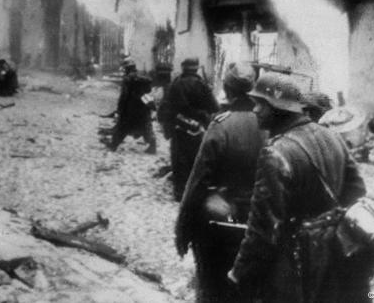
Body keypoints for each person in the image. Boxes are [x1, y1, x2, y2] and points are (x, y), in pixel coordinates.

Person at [227, 73, 369, 303]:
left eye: (260, 105)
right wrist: (325, 220)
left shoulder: (276, 153)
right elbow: (356, 191)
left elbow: (263, 227)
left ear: (277, 108)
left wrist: (240, 272)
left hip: (294, 262)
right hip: (333, 252)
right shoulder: (331, 136)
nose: (255, 111)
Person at [175, 62, 266, 302]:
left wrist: (183, 227)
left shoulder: (221, 125)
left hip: (222, 221)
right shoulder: (271, 126)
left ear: (228, 89)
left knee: (213, 285)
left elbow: (198, 181)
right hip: (261, 221)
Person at [159, 57, 219, 201]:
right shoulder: (202, 85)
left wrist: (167, 127)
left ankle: (179, 193)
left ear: (183, 68)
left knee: (179, 161)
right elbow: (214, 107)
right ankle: (195, 193)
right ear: (197, 68)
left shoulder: (175, 84)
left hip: (179, 128)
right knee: (197, 160)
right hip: (199, 129)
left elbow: (165, 107)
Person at [105, 57, 157, 154]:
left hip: (130, 109)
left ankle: (113, 145)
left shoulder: (127, 79)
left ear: (126, 68)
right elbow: (148, 92)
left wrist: (120, 109)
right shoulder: (143, 78)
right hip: (143, 109)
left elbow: (124, 96)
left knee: (122, 127)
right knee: (145, 128)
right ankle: (152, 146)